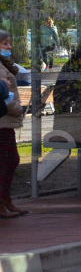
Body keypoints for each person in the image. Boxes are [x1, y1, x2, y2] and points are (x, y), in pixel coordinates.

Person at [0, 30, 27, 216]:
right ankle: (2, 201)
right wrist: (16, 107)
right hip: (3, 119)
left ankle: (5, 199)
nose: (9, 47)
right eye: (5, 44)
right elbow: (4, 97)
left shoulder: (4, 65)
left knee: (11, 160)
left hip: (6, 121)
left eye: (9, 43)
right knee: (6, 161)